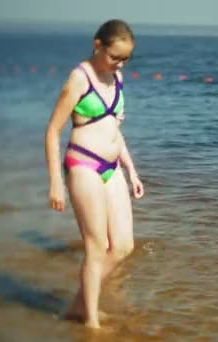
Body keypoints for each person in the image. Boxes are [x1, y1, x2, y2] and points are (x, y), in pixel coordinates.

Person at [44, 19, 144, 329]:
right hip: (83, 164)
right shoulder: (79, 79)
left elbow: (114, 130)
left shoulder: (117, 79)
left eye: (126, 58)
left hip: (112, 167)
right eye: (115, 56)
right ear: (97, 45)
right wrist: (55, 184)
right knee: (96, 247)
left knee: (124, 246)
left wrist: (132, 170)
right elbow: (52, 132)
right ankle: (90, 323)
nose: (120, 63)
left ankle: (77, 304)